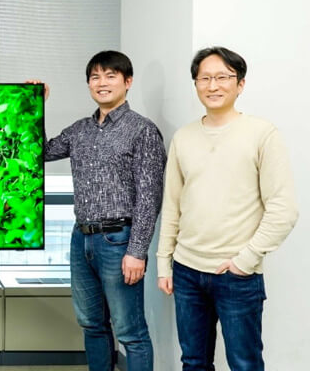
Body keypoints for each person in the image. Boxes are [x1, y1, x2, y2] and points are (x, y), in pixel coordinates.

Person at [156, 46, 298, 370]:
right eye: (204, 78)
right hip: (187, 271)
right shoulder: (184, 137)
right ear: (195, 85)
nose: (213, 85)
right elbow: (173, 206)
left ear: (240, 84)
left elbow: (283, 209)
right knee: (193, 362)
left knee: (244, 364)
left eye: (223, 77)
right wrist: (165, 263)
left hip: (237, 276)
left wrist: (245, 261)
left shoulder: (262, 133)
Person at [41, 50, 165, 371]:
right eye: (95, 77)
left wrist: (137, 251)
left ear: (128, 81)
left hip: (119, 241)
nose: (102, 83)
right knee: (92, 324)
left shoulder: (142, 130)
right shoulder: (79, 130)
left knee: (130, 332)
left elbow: (150, 197)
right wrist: (34, 104)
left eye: (110, 75)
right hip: (80, 239)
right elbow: (39, 152)